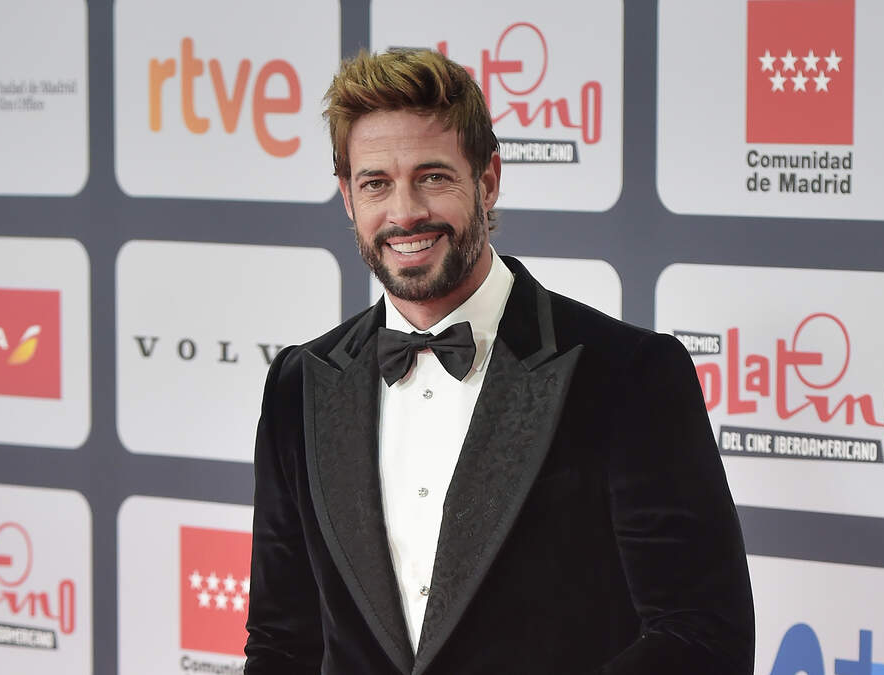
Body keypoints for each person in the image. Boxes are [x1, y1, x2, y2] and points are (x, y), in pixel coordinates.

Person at [244, 48, 754, 675]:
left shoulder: (628, 374)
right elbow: (281, 643)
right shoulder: (300, 384)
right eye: (376, 183)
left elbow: (702, 637)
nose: (404, 212)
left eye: (433, 177)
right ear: (348, 197)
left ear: (487, 181)